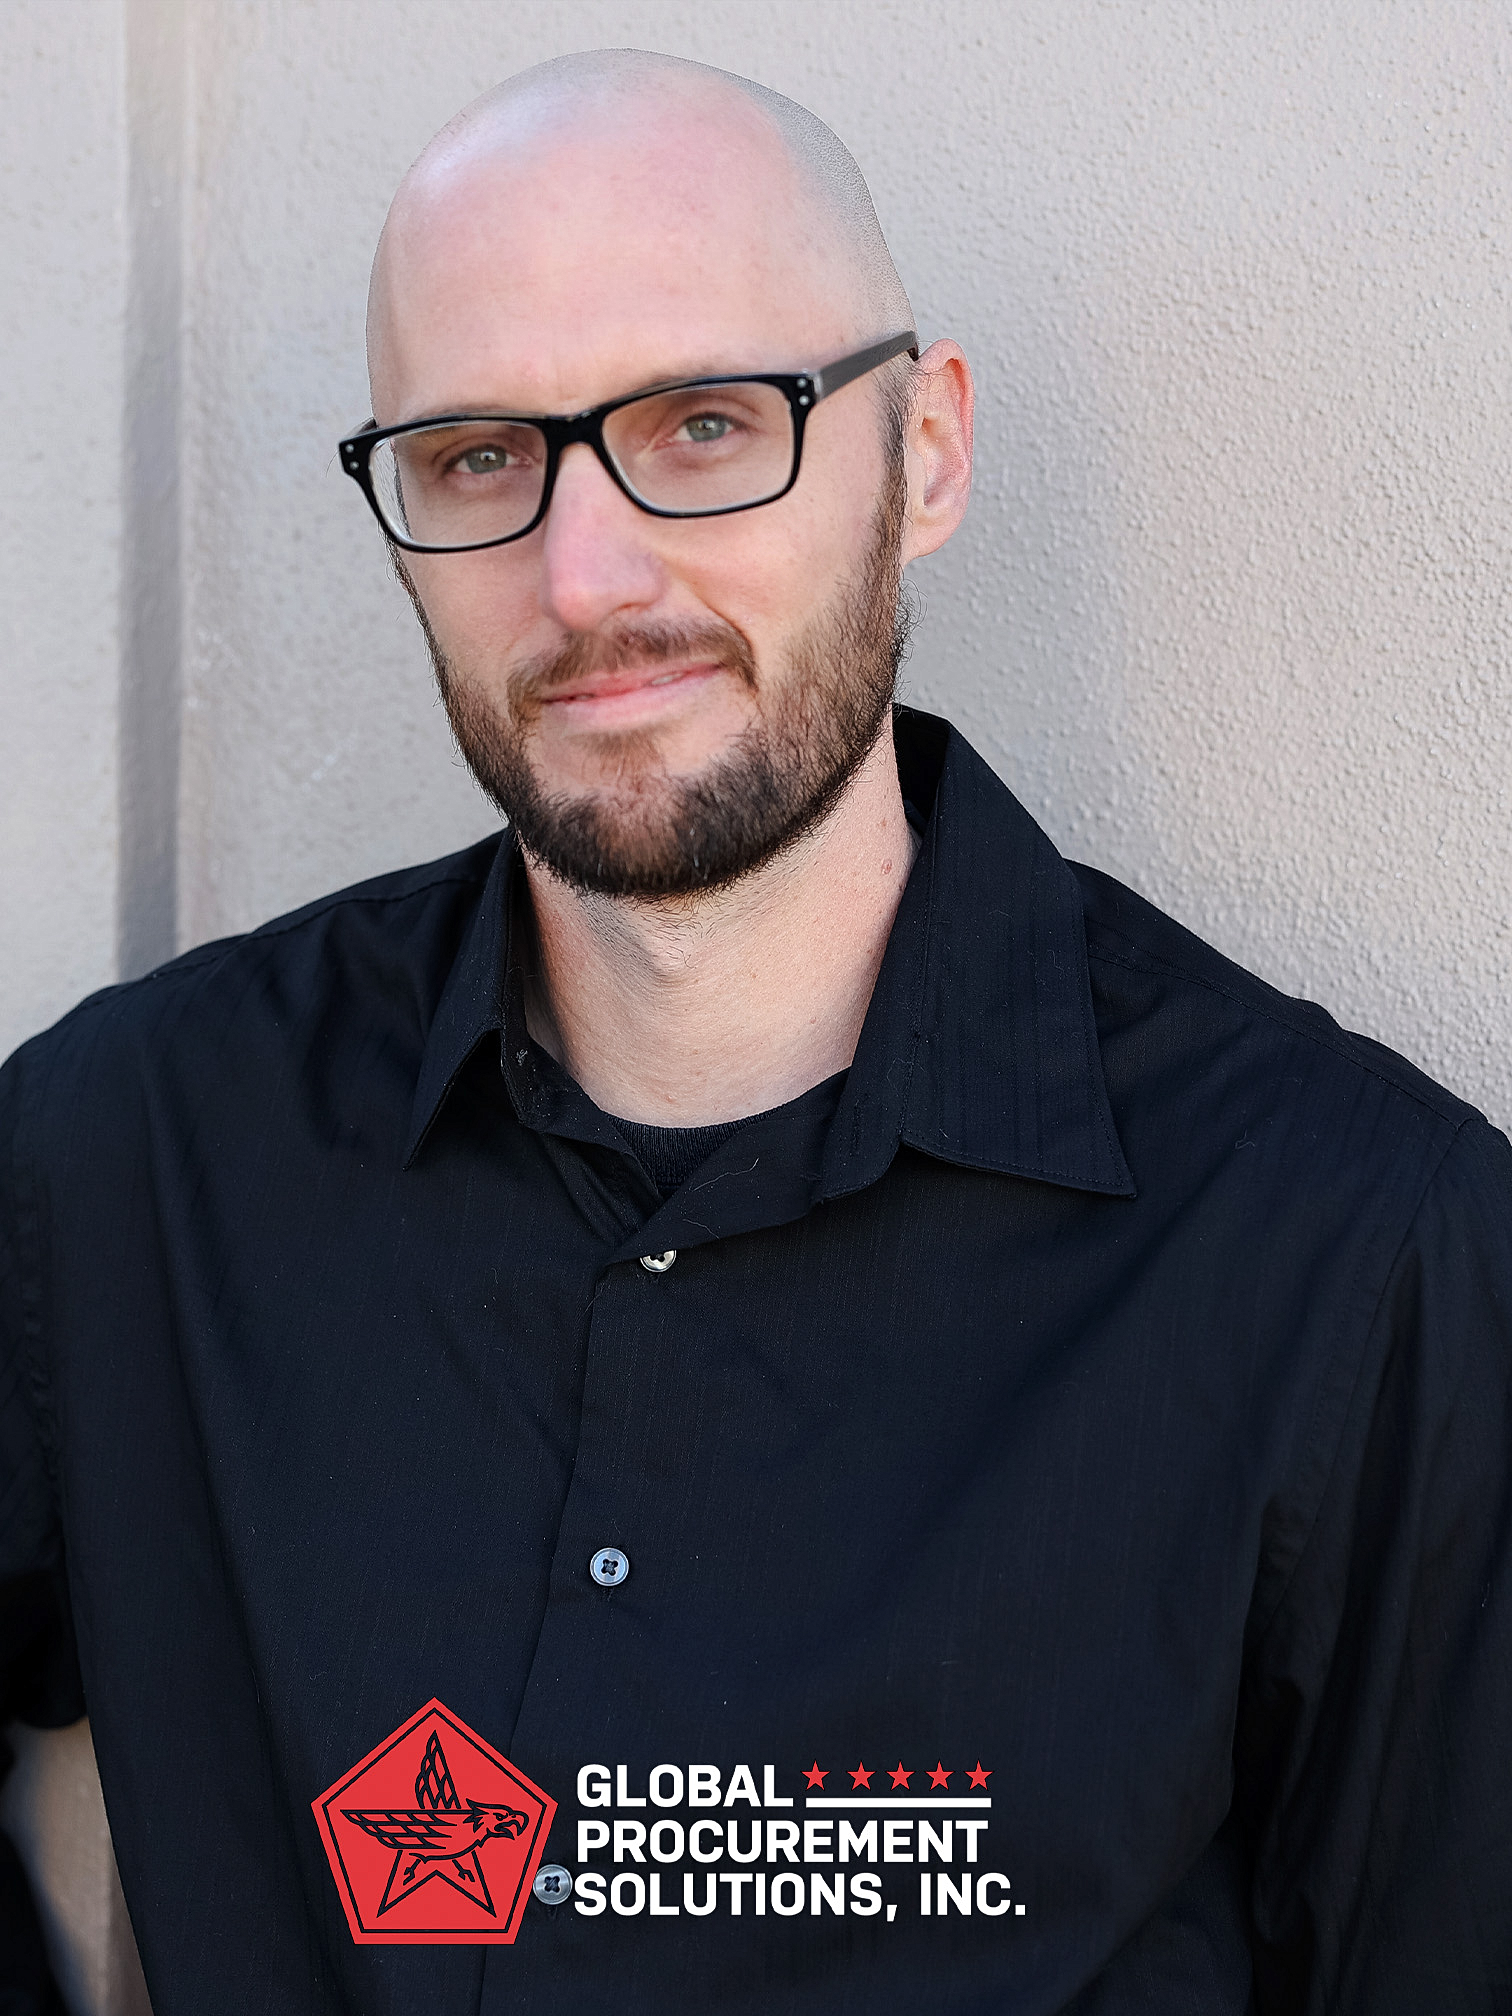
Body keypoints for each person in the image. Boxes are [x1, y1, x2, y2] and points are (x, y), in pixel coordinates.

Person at [2, 47, 1509, 2016]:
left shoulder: (1355, 1254)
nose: (587, 578)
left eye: (708, 424)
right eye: (479, 457)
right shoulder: (129, 1161)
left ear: (927, 452)